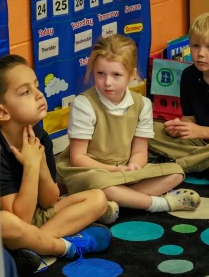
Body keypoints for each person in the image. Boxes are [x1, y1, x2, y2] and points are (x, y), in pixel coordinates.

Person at [0, 55, 113, 268]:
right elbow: (20, 217)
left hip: (36, 219)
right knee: (5, 222)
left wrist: (39, 165)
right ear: (1, 112)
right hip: (12, 224)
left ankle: (33, 246)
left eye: (36, 86)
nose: (39, 95)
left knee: (98, 198)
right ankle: (65, 247)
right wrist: (30, 165)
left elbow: (49, 201)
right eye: (25, 92)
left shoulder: (39, 136)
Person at [57, 34, 201, 217]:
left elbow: (140, 151)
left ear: (131, 74)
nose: (107, 82)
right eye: (100, 73)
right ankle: (158, 203)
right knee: (102, 183)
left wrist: (133, 167)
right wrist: (115, 171)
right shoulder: (84, 104)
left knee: (176, 173)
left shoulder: (142, 104)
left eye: (116, 75)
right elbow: (78, 158)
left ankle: (111, 204)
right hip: (90, 171)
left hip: (123, 171)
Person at [149, 13, 209, 173]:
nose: (201, 54)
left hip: (203, 139)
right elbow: (189, 118)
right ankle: (189, 164)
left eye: (208, 47)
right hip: (199, 144)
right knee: (148, 129)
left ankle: (174, 166)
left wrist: (202, 131)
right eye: (196, 46)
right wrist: (179, 126)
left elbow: (199, 129)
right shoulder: (189, 75)